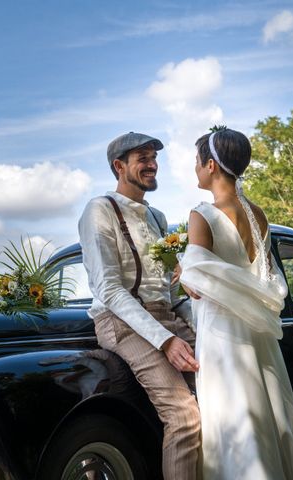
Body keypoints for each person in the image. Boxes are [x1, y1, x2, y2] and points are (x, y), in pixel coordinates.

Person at [179, 127, 293, 479]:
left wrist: (180, 270)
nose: (195, 168)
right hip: (257, 333)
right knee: (270, 415)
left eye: (197, 161)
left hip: (223, 333)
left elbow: (196, 284)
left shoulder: (203, 214)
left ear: (211, 165)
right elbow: (266, 276)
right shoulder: (258, 214)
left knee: (233, 416)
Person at [78, 132, 201, 479]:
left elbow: (169, 291)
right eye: (142, 158)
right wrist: (166, 341)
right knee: (184, 417)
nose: (152, 164)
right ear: (119, 166)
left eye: (153, 157)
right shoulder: (99, 210)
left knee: (223, 393)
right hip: (121, 323)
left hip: (164, 319)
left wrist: (201, 322)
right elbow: (109, 290)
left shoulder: (158, 217)